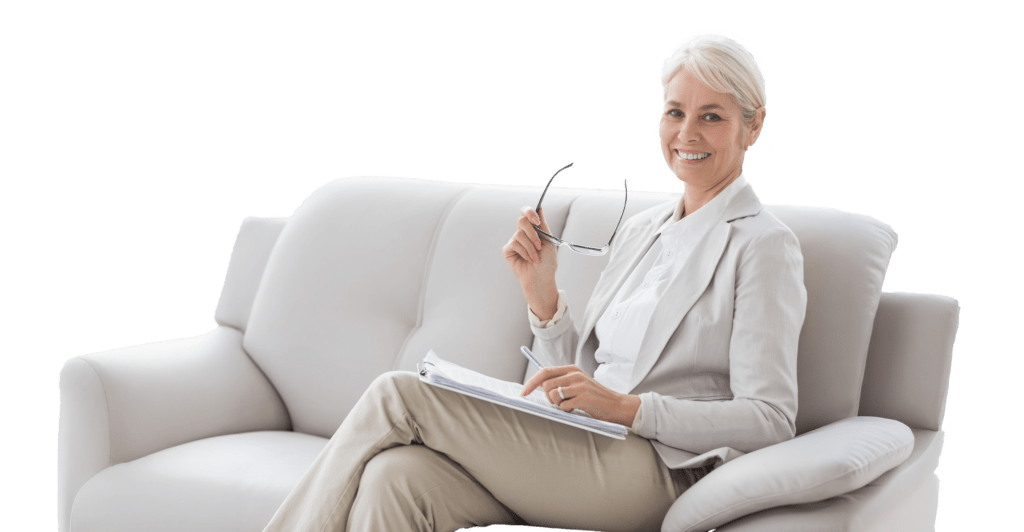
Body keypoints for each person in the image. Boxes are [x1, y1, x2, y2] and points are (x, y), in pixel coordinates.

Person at [263, 29, 806, 532]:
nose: (686, 133)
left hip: (658, 469)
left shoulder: (762, 245)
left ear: (753, 125)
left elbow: (770, 419)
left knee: (398, 394)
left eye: (711, 116)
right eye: (675, 112)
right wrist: (542, 296)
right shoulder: (643, 231)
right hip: (583, 442)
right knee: (397, 479)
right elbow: (583, 376)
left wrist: (631, 410)